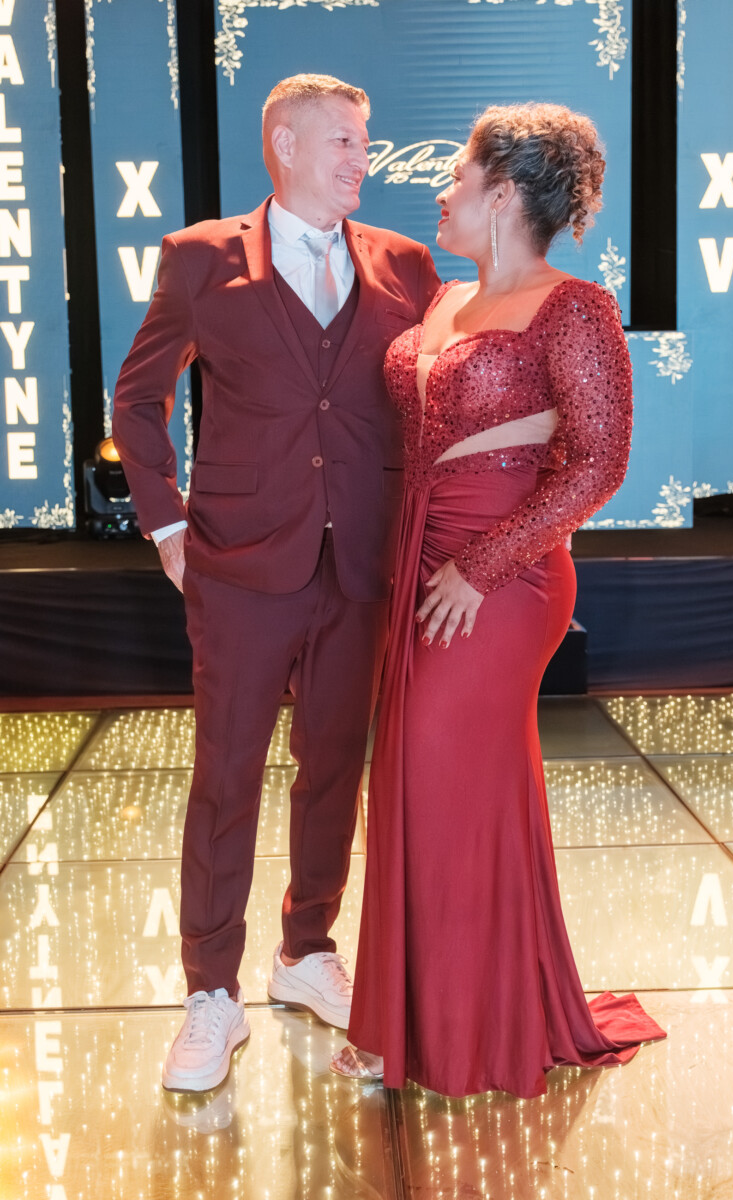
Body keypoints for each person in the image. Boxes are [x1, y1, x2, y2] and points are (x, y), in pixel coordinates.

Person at [112, 74, 440, 1093]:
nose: (361, 159)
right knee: (226, 776)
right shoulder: (198, 257)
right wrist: (168, 522)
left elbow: (431, 397)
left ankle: (306, 951)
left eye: (364, 142)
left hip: (362, 564)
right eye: (342, 141)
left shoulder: (405, 264)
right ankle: (210, 990)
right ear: (284, 145)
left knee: (333, 767)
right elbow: (138, 400)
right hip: (240, 565)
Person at [331, 102, 666, 1096]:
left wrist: (482, 564)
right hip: (418, 560)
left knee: (439, 776)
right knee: (416, 784)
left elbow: (598, 464)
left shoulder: (574, 309)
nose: (441, 193)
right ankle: (415, 1021)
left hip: (503, 578)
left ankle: (454, 1030)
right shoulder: (443, 300)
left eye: (457, 177)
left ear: (505, 194)